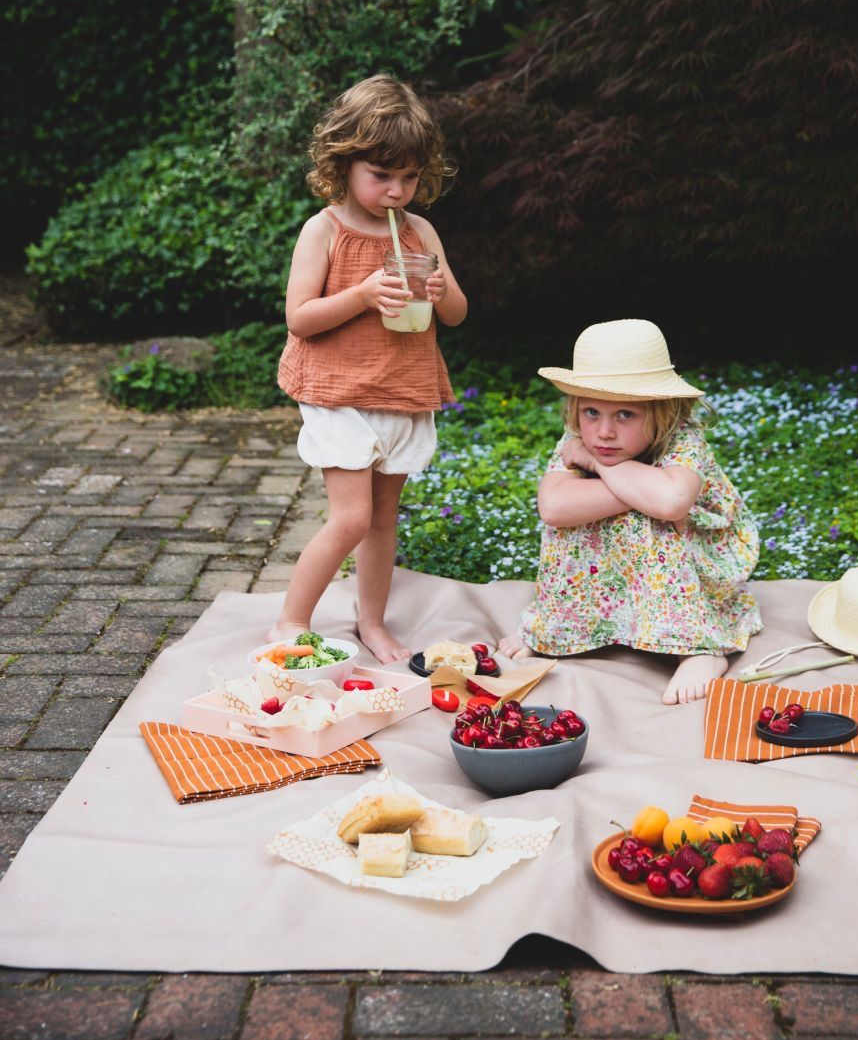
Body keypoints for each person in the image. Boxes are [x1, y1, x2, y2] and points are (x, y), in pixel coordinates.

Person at [268, 74, 467, 662]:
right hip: (338, 392)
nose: (396, 191)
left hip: (400, 390)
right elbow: (300, 318)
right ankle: (289, 621)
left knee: (382, 520)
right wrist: (361, 294)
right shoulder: (323, 230)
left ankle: (372, 622)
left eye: (408, 177)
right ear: (344, 162)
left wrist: (437, 287)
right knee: (352, 516)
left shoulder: (420, 232)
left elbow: (455, 313)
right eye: (382, 175)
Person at [500, 319, 761, 703]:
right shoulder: (577, 441)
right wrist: (641, 489)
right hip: (614, 576)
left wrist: (600, 467)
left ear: (663, 412)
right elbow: (554, 507)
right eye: (591, 412)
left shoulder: (684, 440)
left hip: (694, 566)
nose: (604, 432)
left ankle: (701, 648)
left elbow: (671, 503)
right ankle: (562, 626)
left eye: (625, 415)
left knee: (646, 517)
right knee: (593, 516)